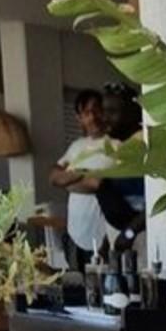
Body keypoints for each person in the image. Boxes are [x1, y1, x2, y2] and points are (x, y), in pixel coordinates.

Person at [49, 88, 112, 267]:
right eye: (86, 112)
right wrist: (83, 173)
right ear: (79, 118)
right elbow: (53, 176)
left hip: (104, 236)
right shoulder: (76, 146)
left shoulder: (116, 145)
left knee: (104, 282)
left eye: (96, 109)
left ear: (104, 111)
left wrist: (67, 181)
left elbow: (97, 184)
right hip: (74, 232)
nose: (92, 117)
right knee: (75, 281)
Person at [95, 83, 147, 257]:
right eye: (104, 111)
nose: (105, 118)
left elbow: (156, 201)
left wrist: (129, 232)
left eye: (112, 112)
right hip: (124, 241)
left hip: (141, 240)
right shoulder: (123, 146)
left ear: (133, 113)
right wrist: (107, 240)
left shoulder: (144, 146)